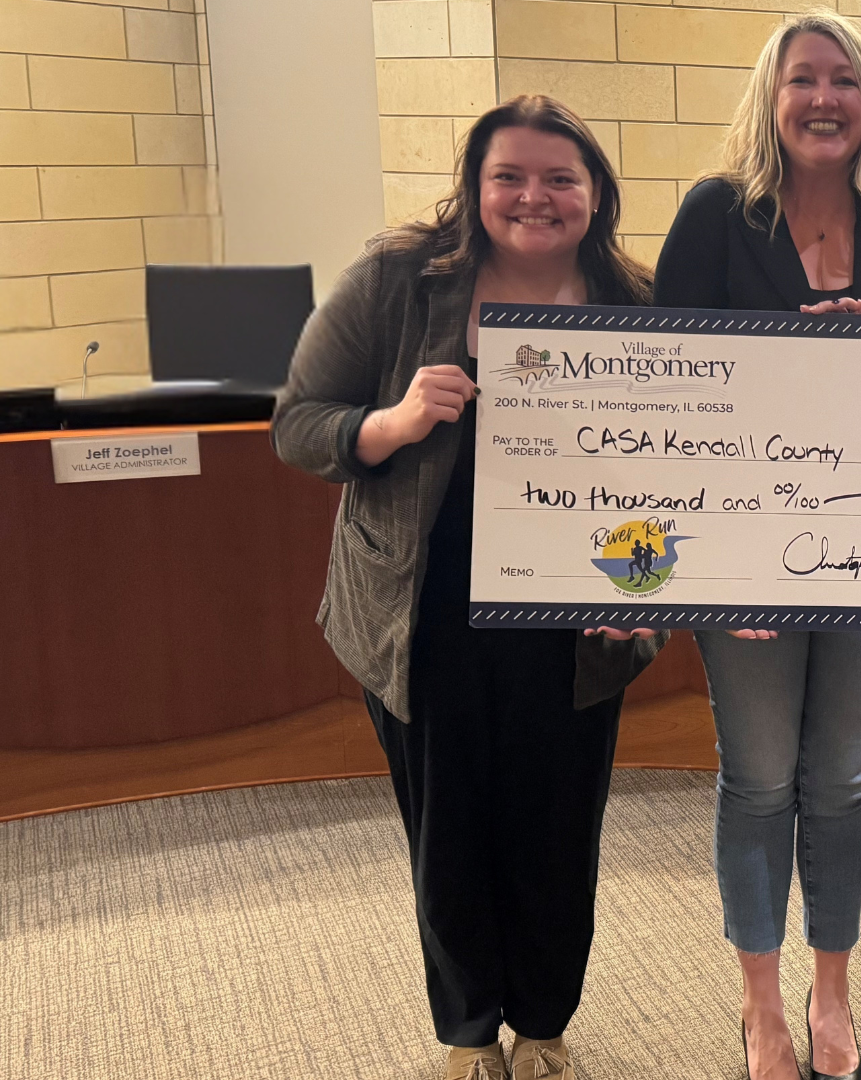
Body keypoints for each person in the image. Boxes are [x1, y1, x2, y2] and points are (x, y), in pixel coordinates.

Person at [272, 97, 660, 1080]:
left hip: (575, 617)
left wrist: (639, 596)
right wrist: (390, 425)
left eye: (561, 178)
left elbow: (673, 475)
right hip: (423, 607)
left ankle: (542, 1021)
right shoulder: (398, 280)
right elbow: (299, 422)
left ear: (595, 193)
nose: (535, 197)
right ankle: (465, 1028)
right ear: (473, 188)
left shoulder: (639, 302)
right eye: (510, 177)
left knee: (558, 828)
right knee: (448, 827)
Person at [651, 13, 861, 1080]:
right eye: (803, 80)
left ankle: (834, 995)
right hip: (744, 567)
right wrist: (708, 567)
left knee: (844, 781)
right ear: (771, 100)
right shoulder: (715, 214)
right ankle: (760, 1004)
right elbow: (665, 390)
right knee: (762, 777)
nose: (825, 99)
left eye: (845, 81)